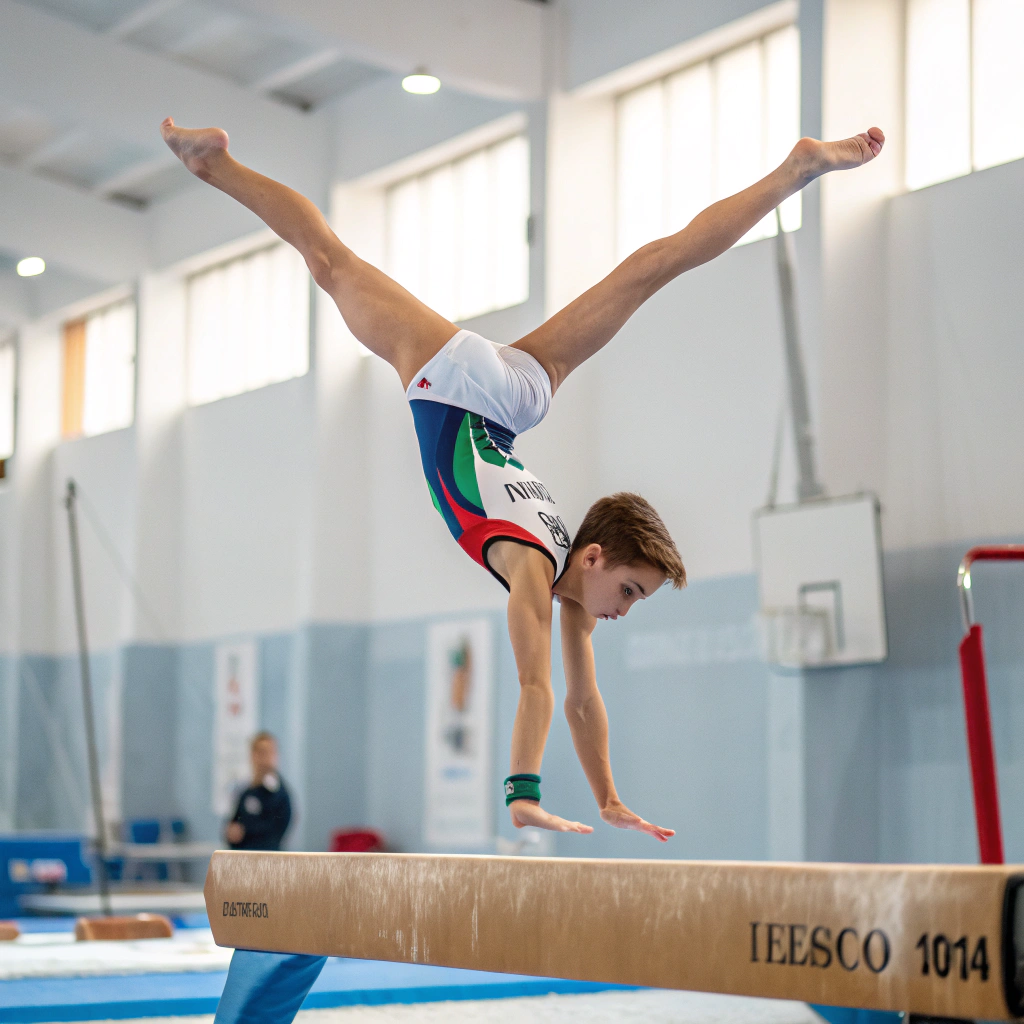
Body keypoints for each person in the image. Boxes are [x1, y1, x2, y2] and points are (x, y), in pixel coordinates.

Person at [162, 114, 884, 1024]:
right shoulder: (538, 576)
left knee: (652, 265)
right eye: (629, 590)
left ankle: (795, 170)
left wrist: (612, 795)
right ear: (592, 556)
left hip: (515, 399)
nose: (621, 611)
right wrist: (525, 793)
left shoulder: (560, 574)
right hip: (462, 387)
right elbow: (539, 689)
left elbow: (583, 701)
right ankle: (216, 165)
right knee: (332, 261)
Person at [225, 732, 292, 851]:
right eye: (260, 753)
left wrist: (245, 831)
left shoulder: (280, 794)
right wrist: (231, 832)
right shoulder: (246, 793)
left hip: (268, 860)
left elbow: (275, 831)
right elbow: (233, 823)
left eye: (269, 752)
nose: (264, 758)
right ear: (253, 756)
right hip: (243, 860)